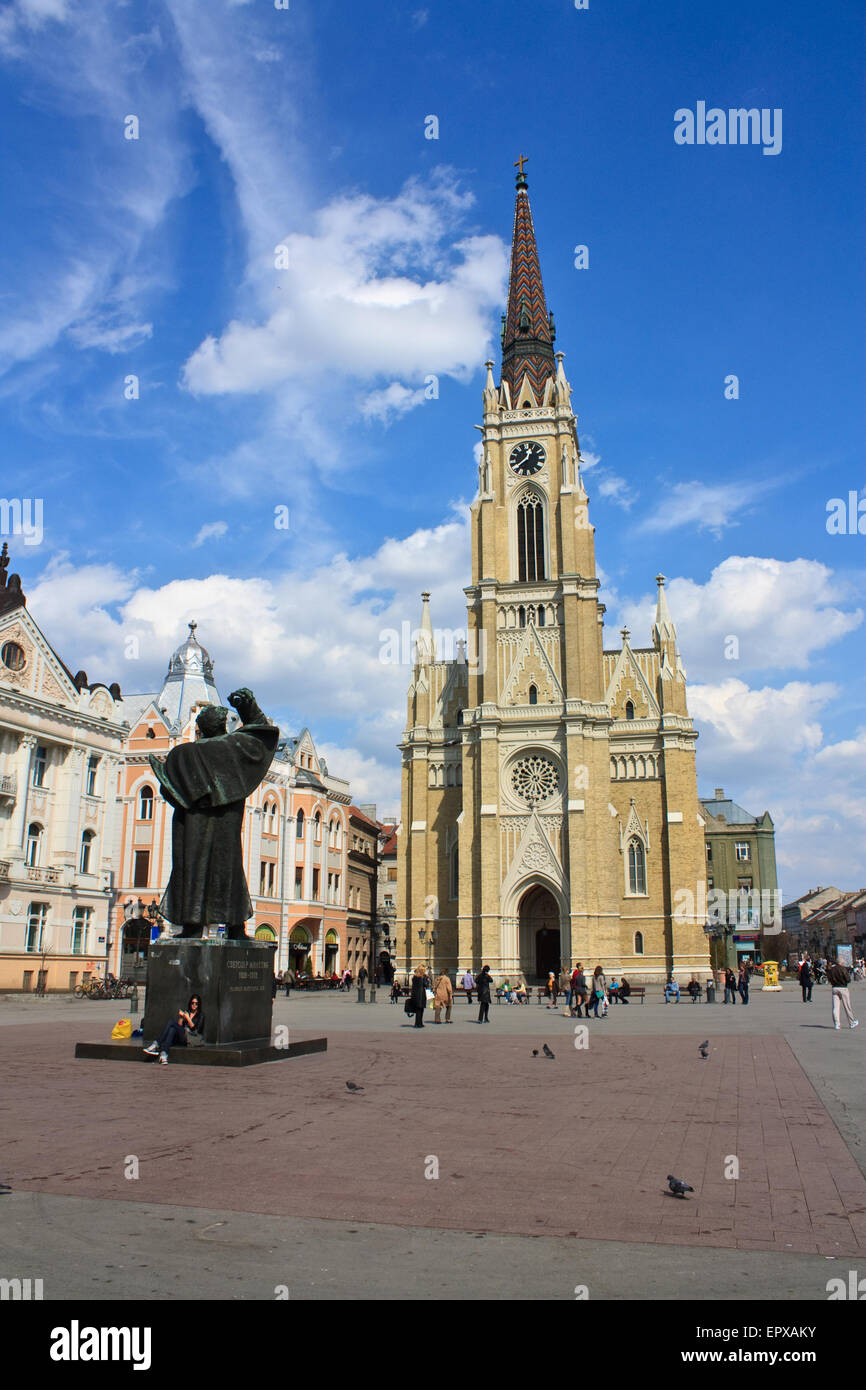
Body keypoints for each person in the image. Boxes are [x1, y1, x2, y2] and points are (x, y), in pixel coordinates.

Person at [144, 994, 205, 1064]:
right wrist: (182, 1017)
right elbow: (179, 1025)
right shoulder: (187, 1012)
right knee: (172, 1029)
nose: (194, 1005)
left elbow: (196, 1030)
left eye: (196, 1004)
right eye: (192, 1003)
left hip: (191, 1038)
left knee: (171, 1022)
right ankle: (164, 1054)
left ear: (199, 1004)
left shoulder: (201, 1015)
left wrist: (188, 1018)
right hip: (183, 1036)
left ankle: (157, 1044)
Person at [826, 958, 859, 1030]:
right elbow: (848, 979)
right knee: (847, 1006)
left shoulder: (832, 969)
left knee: (835, 1007)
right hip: (843, 988)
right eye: (843, 962)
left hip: (834, 988)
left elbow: (829, 978)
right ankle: (851, 1022)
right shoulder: (843, 969)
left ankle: (837, 1024)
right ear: (841, 962)